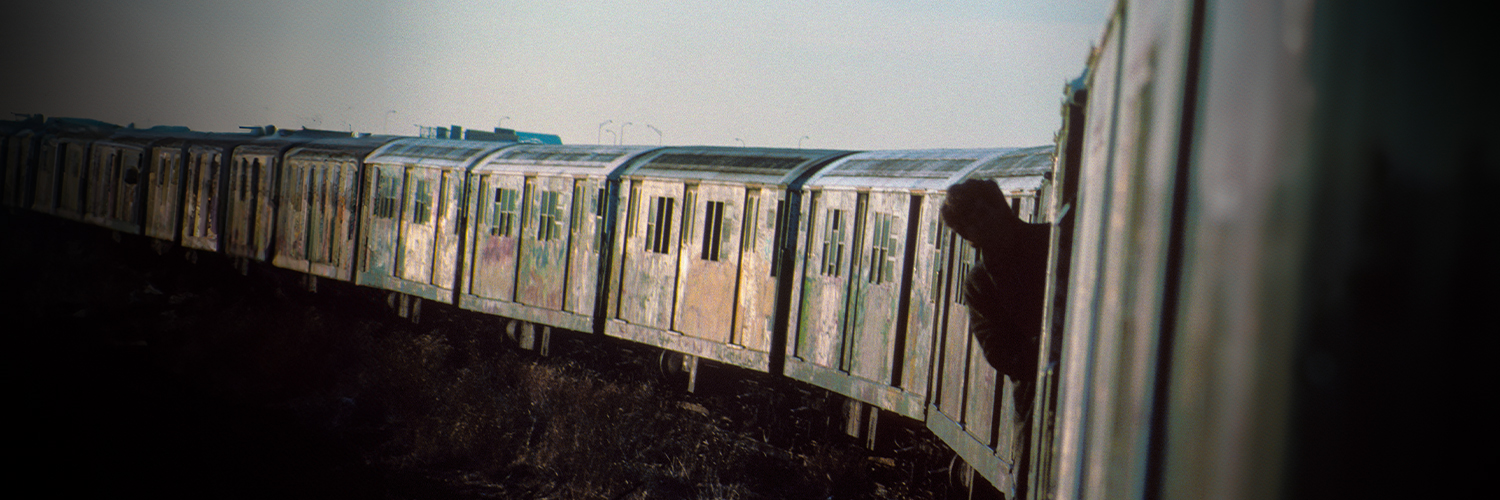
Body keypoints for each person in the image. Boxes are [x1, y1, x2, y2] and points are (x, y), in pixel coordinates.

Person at [940, 178, 1051, 383]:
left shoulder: (1052, 241)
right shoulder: (979, 284)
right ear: (966, 235)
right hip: (1036, 397)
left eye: (983, 213)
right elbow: (999, 354)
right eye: (970, 224)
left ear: (999, 206)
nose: (982, 225)